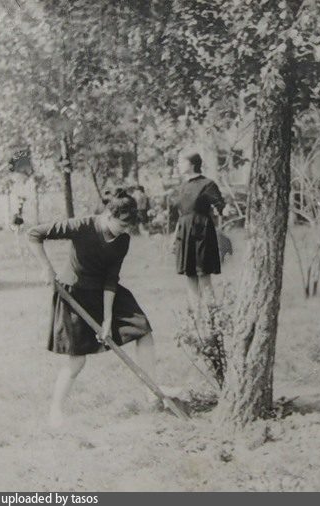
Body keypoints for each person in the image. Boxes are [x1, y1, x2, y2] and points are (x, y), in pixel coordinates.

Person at [28, 188, 156, 427]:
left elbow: (111, 278)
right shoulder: (83, 226)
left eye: (129, 227)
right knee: (77, 361)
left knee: (144, 330)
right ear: (109, 214)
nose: (125, 231)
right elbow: (35, 234)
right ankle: (55, 410)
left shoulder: (123, 240)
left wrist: (108, 319)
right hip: (74, 294)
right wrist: (46, 267)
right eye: (122, 225)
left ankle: (152, 391)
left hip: (104, 293)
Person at [172, 152, 226, 308]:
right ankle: (196, 321)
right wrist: (175, 238)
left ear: (192, 164)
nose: (178, 165)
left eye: (181, 162)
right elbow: (181, 213)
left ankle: (212, 321)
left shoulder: (207, 184)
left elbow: (220, 207)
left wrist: (220, 215)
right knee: (190, 276)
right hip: (184, 233)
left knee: (203, 276)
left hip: (202, 233)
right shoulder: (183, 186)